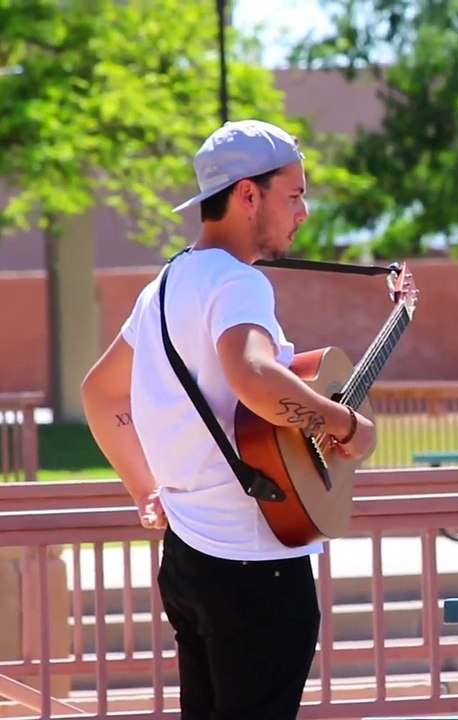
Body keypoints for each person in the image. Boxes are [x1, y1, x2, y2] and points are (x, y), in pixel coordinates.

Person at [80, 119, 377, 719]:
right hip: (256, 569)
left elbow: (101, 394)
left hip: (189, 563)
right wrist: (343, 424)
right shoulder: (239, 283)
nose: (304, 211)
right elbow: (253, 377)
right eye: (293, 194)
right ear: (248, 194)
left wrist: (148, 492)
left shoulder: (165, 285)